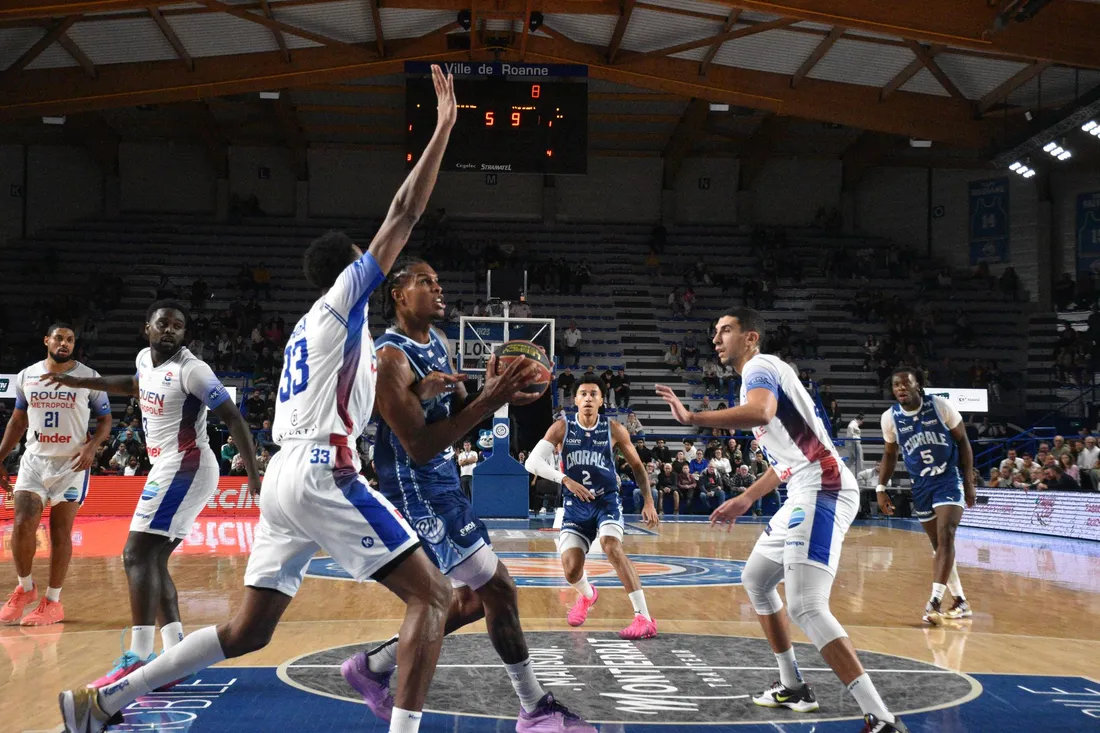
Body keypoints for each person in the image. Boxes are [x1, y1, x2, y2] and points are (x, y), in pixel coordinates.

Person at [59, 65, 460, 733]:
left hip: (282, 477)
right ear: (352, 268)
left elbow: (349, 393)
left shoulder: (315, 327)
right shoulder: (342, 299)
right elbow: (405, 213)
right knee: (435, 595)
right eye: (369, 261)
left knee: (248, 629)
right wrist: (443, 128)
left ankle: (104, 701)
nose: (378, 265)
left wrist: (420, 386)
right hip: (320, 472)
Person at [357, 256, 595, 732]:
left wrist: (494, 394)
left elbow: (459, 412)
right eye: (426, 281)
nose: (438, 288)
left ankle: (374, 667)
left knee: (469, 599)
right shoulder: (389, 358)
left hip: (445, 485)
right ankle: (533, 708)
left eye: (439, 280)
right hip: (418, 490)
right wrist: (491, 398)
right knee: (499, 590)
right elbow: (420, 445)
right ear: (399, 295)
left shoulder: (440, 342)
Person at [656, 307, 908, 732]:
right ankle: (793, 685)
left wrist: (692, 418)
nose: (716, 338)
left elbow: (761, 412)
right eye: (714, 332)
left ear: (750, 337)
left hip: (823, 485)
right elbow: (784, 458)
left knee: (807, 605)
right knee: (755, 580)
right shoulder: (754, 381)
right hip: (802, 488)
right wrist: (746, 496)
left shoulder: (761, 366)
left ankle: (882, 718)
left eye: (726, 330)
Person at [48, 301, 261, 691]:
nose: (170, 331)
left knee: (135, 554)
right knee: (153, 558)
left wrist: (252, 474)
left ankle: (140, 658)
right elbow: (134, 385)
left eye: (178, 327)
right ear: (147, 328)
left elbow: (233, 417)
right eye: (163, 324)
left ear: (185, 335)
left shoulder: (192, 369)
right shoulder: (145, 359)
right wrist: (83, 383)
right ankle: (176, 656)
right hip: (170, 466)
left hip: (188, 465)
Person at [526, 376, 659, 639]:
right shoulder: (561, 428)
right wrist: (564, 479)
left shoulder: (615, 429)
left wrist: (648, 501)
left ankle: (644, 617)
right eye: (583, 394)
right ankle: (587, 596)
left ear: (601, 401)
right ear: (575, 400)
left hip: (605, 501)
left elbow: (637, 466)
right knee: (571, 570)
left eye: (593, 394)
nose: (588, 398)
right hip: (575, 506)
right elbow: (532, 463)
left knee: (611, 545)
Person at [0, 324, 113, 626]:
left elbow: (106, 420)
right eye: (59, 338)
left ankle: (53, 601)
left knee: (60, 532)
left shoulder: (89, 378)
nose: (64, 343)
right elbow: (18, 419)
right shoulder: (27, 375)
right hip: (34, 461)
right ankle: (25, 589)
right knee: (23, 525)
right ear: (47, 341)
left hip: (71, 466)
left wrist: (92, 447)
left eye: (70, 340)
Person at [877, 368, 976, 625]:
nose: (900, 388)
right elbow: (890, 455)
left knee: (947, 535)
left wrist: (969, 482)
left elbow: (963, 441)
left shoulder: (940, 406)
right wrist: (880, 488)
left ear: (917, 385)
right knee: (939, 547)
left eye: (905, 384)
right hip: (920, 485)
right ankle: (961, 601)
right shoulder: (890, 418)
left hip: (948, 479)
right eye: (896, 385)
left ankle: (934, 601)